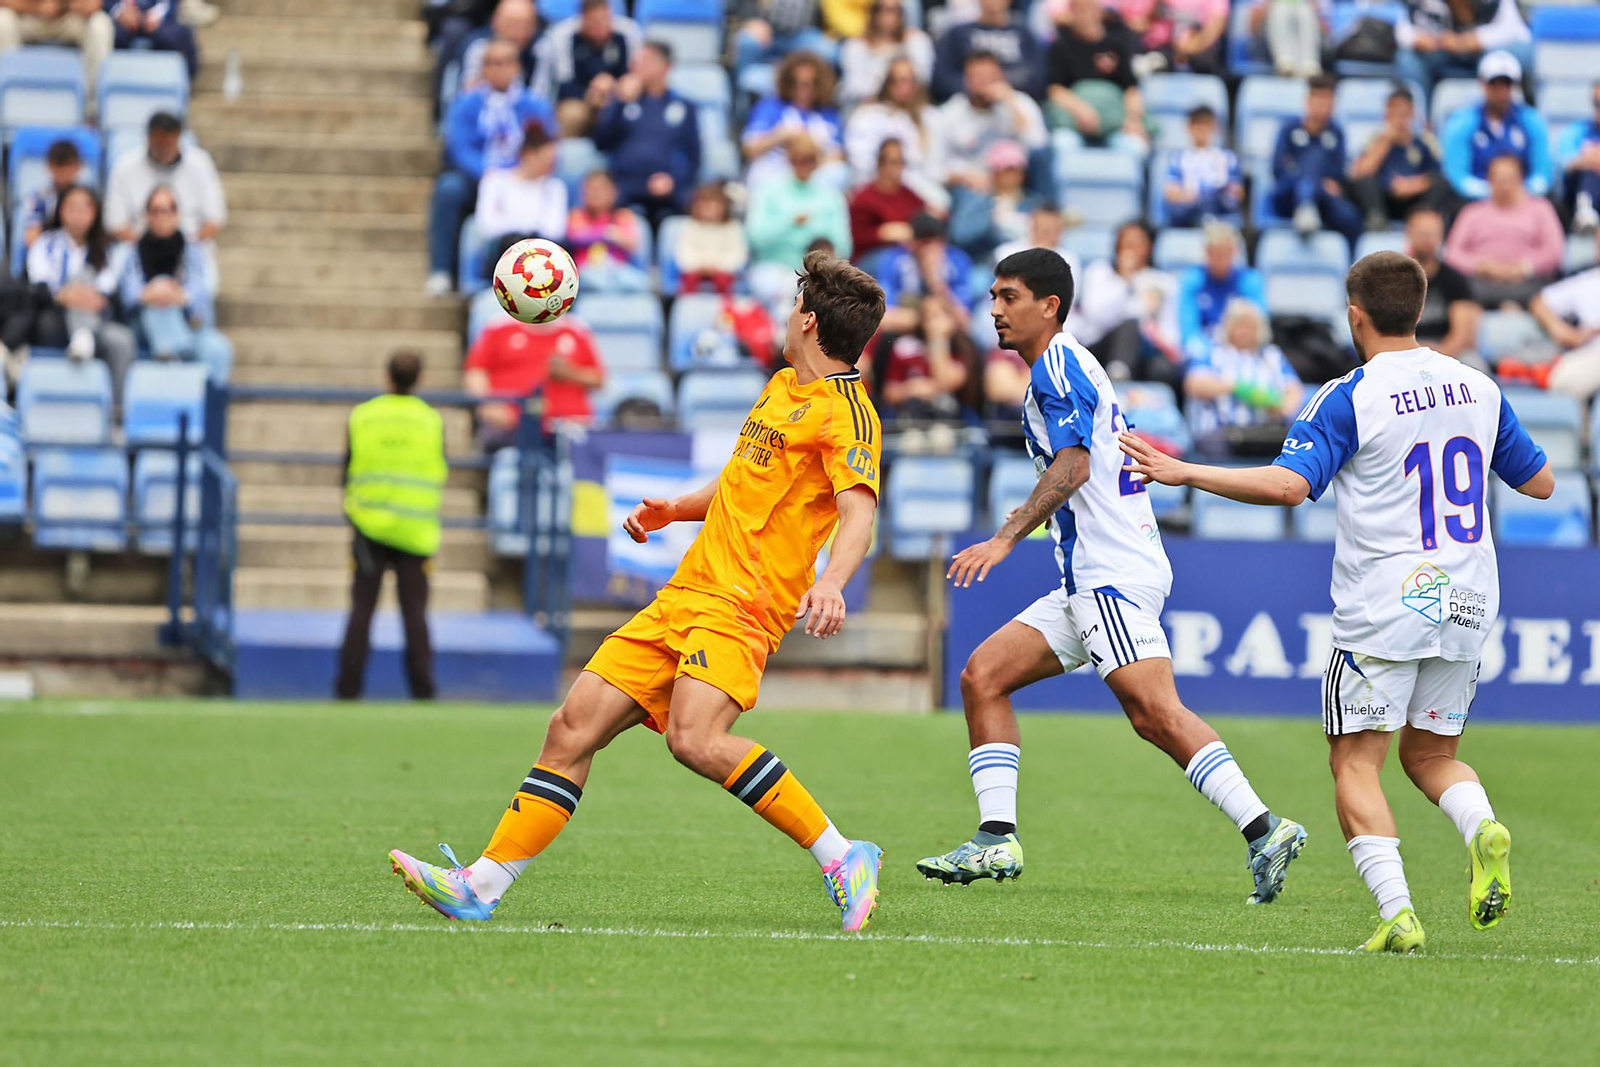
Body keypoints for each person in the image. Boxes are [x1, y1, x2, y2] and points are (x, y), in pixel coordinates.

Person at [388, 252, 891, 933]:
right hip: (687, 593)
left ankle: (843, 855)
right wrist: (676, 509)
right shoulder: (780, 387)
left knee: (694, 737)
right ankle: (481, 884)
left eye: (791, 302)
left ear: (807, 319)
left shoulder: (848, 414)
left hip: (744, 604)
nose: (783, 313)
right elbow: (743, 479)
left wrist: (832, 581)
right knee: (571, 726)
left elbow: (859, 511)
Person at [1119, 250, 1554, 952]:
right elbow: (1540, 484)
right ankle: (1481, 828)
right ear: (1419, 309)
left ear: (1356, 315)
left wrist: (1183, 470)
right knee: (1433, 753)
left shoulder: (1350, 394)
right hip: (1469, 597)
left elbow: (1291, 486)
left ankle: (1398, 912)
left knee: (1356, 762)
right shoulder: (1478, 386)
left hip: (1387, 601)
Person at [917, 248, 1307, 900]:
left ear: (1049, 305)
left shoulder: (1059, 366)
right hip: (1086, 576)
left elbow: (1073, 466)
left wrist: (1006, 537)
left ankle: (1264, 826)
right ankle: (995, 838)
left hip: (1111, 574)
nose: (994, 309)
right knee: (983, 676)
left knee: (1154, 711)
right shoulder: (1059, 365)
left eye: (1008, 296)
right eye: (991, 295)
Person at [336, 353, 447, 702]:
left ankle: (348, 688)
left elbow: (348, 466)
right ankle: (423, 690)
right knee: (415, 613)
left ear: (387, 376)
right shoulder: (431, 420)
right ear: (419, 379)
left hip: (369, 526)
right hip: (415, 529)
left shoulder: (363, 415)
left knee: (362, 609)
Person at [427, 39, 554, 295]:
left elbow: (547, 143)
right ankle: (441, 270)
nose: (498, 69)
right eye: (492, 64)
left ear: (517, 67)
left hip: (523, 178)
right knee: (448, 189)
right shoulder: (467, 104)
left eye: (504, 62)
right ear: (483, 69)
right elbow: (459, 147)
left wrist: (519, 173)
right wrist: (489, 171)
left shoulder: (534, 105)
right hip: (479, 177)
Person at [22, 186, 136, 403]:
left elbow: (108, 293)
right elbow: (41, 288)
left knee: (123, 340)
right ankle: (81, 338)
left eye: (86, 208)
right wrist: (67, 295)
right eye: (72, 207)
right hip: (57, 320)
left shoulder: (105, 249)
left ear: (95, 213)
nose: (78, 215)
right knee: (79, 280)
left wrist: (93, 298)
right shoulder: (45, 244)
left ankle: (118, 410)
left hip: (95, 321)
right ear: (60, 211)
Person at [116, 186, 233, 382]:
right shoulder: (132, 251)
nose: (162, 216)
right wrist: (153, 293)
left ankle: (211, 406)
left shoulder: (194, 250)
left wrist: (179, 296)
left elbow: (199, 294)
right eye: (156, 210)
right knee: (160, 294)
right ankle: (175, 362)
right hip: (143, 326)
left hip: (186, 323)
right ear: (147, 215)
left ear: (176, 213)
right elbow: (129, 294)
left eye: (167, 210)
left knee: (218, 348)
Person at [591, 41, 701, 228]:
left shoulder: (683, 107)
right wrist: (619, 102)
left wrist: (672, 179)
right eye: (636, 61)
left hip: (668, 192)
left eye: (646, 61)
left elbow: (694, 156)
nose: (637, 67)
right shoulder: (622, 103)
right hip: (626, 188)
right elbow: (601, 142)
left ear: (666, 67)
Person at [1183, 298, 1303, 457]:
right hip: (1222, 432)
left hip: (1265, 433)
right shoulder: (1212, 352)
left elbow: (1294, 391)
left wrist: (1278, 405)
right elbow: (1194, 384)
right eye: (1240, 325)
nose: (1245, 331)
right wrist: (1235, 387)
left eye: (1251, 327)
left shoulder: (1272, 355)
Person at [464, 314, 606, 448]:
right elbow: (476, 372)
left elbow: (598, 379)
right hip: (511, 426)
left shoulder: (576, 329)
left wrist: (570, 373)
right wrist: (489, 405)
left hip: (569, 427)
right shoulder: (500, 327)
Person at [1069, 219, 1181, 385]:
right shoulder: (1099, 271)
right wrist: (1126, 281)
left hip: (1146, 349)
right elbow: (1095, 316)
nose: (1130, 249)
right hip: (1100, 346)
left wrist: (1155, 331)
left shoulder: (1163, 282)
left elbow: (1171, 330)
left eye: (1137, 243)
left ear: (1149, 247)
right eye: (1126, 242)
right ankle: (1118, 380)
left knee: (1163, 369)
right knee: (1130, 325)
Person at [1444, 153, 1563, 308]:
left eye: (1509, 178)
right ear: (1489, 180)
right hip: (1480, 281)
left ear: (1521, 178)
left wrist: (1524, 267)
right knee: (1458, 292)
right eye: (1498, 178)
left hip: (1529, 281)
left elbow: (1554, 251)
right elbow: (1452, 253)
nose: (1504, 184)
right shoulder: (1471, 212)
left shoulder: (1541, 209)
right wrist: (1481, 266)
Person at [1440, 51, 1551, 202]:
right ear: (1483, 84)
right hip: (1475, 200)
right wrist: (1493, 193)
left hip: (1524, 199)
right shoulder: (1462, 122)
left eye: (1506, 85)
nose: (1501, 92)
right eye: (1494, 84)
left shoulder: (1531, 120)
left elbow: (1542, 172)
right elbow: (1457, 175)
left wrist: (1520, 192)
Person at [104, 112, 226, 244]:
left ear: (178, 136)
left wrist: (187, 249)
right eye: (159, 141)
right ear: (149, 137)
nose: (164, 148)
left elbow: (215, 217)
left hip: (190, 246)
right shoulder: (124, 166)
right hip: (138, 247)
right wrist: (146, 250)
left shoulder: (200, 164)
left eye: (169, 143)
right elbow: (114, 221)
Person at [1045, 0, 1150, 154]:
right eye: (1078, 10)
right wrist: (1080, 110)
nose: (1084, 15)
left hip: (1114, 122)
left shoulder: (1117, 45)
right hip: (1074, 122)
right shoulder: (1061, 46)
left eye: (1088, 9)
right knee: (1062, 144)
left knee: (1136, 147)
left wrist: (1133, 120)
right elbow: (1054, 89)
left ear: (1099, 12)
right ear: (1071, 14)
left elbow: (1131, 89)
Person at [939, 50, 1048, 196]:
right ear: (966, 80)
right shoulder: (950, 113)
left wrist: (1011, 103)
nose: (984, 82)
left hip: (1017, 183)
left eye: (990, 76)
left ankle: (1049, 212)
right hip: (971, 184)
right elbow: (937, 166)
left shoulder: (1020, 103)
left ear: (1001, 77)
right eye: (977, 77)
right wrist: (964, 176)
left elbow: (1038, 146)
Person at [842, 56, 946, 206]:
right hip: (878, 185)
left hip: (917, 184)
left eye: (909, 81)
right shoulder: (868, 116)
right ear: (886, 83)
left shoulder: (929, 117)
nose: (903, 87)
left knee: (940, 200)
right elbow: (861, 164)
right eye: (896, 80)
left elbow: (934, 166)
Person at [1270, 74, 1361, 245]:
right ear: (1308, 101)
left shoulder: (1336, 132)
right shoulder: (1289, 129)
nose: (1323, 108)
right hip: (1289, 194)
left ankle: (1352, 265)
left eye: (1328, 102)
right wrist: (1305, 178)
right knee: (1312, 158)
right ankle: (1305, 205)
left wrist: (1321, 184)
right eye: (1319, 101)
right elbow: (1278, 169)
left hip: (1323, 197)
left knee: (1350, 217)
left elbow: (1338, 173)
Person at [1512, 232, 1600, 407]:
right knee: (1563, 381)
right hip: (1591, 355)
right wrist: (1561, 330)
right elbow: (1539, 302)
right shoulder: (1587, 282)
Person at [533, 0, 643, 137]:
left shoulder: (629, 31)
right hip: (582, 100)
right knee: (570, 114)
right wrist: (592, 93)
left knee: (640, 110)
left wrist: (614, 88)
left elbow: (638, 74)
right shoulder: (564, 35)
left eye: (604, 20)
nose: (599, 27)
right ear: (582, 19)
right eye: (593, 22)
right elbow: (564, 83)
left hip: (621, 97)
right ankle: (564, 156)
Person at [1348, 87, 1452, 230]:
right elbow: (1360, 173)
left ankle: (1423, 222)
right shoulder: (1374, 140)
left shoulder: (1425, 141)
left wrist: (1412, 185)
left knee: (1442, 185)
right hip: (1385, 199)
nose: (1399, 117)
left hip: (1415, 201)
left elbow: (1437, 175)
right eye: (1394, 111)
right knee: (1364, 183)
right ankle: (1377, 221)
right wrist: (1386, 142)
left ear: (1411, 113)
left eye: (1403, 112)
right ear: (1386, 113)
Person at [742, 51, 845, 190]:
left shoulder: (828, 113)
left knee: (839, 173)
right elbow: (750, 149)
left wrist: (809, 150)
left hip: (814, 174)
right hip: (776, 168)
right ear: (787, 82)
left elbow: (837, 156)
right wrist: (782, 135)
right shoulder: (770, 107)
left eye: (810, 84)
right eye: (796, 83)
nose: (803, 90)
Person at [747, 134, 852, 271]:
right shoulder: (767, 191)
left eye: (810, 160)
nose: (804, 165)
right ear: (789, 159)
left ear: (817, 161)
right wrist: (790, 222)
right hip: (775, 267)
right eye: (798, 159)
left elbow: (843, 246)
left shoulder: (831, 196)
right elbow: (755, 239)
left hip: (819, 269)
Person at [475, 123, 567, 277]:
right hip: (500, 254)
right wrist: (519, 235)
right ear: (528, 154)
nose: (552, 166)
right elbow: (487, 225)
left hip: (540, 260)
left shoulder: (554, 187)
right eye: (547, 160)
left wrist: (525, 236)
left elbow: (555, 230)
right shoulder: (495, 180)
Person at [1395, 0, 1532, 97]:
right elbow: (1402, 29)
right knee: (1408, 58)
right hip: (1441, 51)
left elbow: (1515, 30)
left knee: (1501, 59)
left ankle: (1499, 117)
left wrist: (1471, 40)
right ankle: (1419, 125)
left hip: (1484, 51)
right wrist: (1419, 39)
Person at [1178, 220, 1266, 358]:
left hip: (1241, 351)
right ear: (1206, 251)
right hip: (1204, 353)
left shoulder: (1250, 281)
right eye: (1215, 252)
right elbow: (1189, 330)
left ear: (1235, 251)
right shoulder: (1193, 280)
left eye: (1225, 252)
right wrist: (1210, 355)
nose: (1220, 258)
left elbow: (1258, 328)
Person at [931, 0, 1041, 103]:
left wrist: (1002, 87)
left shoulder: (1024, 34)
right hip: (967, 106)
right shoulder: (958, 33)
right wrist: (977, 88)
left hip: (1013, 101)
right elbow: (942, 79)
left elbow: (1037, 78)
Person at [948, 139, 1040, 261]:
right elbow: (958, 235)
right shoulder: (977, 200)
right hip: (984, 263)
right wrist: (990, 217)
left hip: (1024, 265)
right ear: (995, 172)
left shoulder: (1033, 203)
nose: (1013, 175)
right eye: (1007, 169)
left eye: (1017, 169)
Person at [1406, 207, 1479, 360]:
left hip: (1446, 351)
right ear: (1409, 234)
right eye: (1422, 233)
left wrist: (1438, 357)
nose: (1427, 239)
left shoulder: (1455, 279)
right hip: (1404, 352)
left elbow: (1463, 334)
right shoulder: (1392, 278)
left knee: (1473, 362)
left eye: (1432, 234)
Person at [0, 1, 113, 97]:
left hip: (70, 17)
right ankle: (6, 101)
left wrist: (69, 5)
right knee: (2, 20)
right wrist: (39, 7)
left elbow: (94, 4)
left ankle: (93, 109)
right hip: (27, 16)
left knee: (100, 24)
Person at [564, 169, 649, 293]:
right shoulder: (576, 215)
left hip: (617, 271)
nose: (594, 193)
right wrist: (607, 233)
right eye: (590, 189)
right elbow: (575, 237)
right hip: (586, 271)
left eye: (600, 189)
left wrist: (596, 234)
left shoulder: (623, 215)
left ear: (613, 192)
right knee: (593, 279)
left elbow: (631, 245)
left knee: (637, 281)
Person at [838, 0, 933, 107]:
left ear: (902, 13)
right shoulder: (855, 46)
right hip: (868, 107)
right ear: (873, 13)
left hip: (908, 106)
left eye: (892, 10)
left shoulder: (916, 41)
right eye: (880, 9)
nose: (886, 15)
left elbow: (923, 78)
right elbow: (854, 87)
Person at [1162, 104, 1242, 227]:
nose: (1202, 130)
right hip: (1189, 208)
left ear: (1215, 127)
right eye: (1198, 125)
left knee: (1218, 201)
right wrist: (1189, 196)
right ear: (1189, 127)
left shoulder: (1227, 157)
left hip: (1218, 206)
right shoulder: (1178, 158)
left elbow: (1237, 192)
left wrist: (1225, 190)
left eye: (1206, 125)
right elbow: (1170, 192)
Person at [848, 138, 925, 264]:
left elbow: (926, 213)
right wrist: (881, 233)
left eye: (901, 162)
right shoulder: (863, 198)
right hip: (871, 256)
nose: (898, 168)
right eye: (893, 162)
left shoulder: (908, 195)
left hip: (906, 252)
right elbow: (854, 236)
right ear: (880, 164)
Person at [1112, 0, 1228, 75]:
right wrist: (1153, 14)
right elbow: (1136, 24)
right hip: (1163, 46)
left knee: (1205, 61)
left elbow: (1215, 28)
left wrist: (1190, 47)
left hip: (1198, 48)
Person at [676, 182, 749, 296]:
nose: (709, 209)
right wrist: (700, 265)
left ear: (724, 206)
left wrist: (718, 267)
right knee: (688, 280)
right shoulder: (689, 226)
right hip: (695, 269)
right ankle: (686, 309)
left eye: (714, 205)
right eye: (705, 205)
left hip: (723, 271)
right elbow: (684, 251)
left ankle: (726, 312)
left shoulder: (733, 227)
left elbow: (737, 254)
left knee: (725, 280)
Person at [731, 0, 836, 77]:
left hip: (804, 33)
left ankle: (822, 104)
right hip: (768, 30)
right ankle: (741, 104)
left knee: (830, 53)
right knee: (746, 43)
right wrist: (751, 20)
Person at [457, 0, 541, 91]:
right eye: (511, 24)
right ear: (495, 22)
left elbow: (542, 97)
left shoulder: (539, 51)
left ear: (534, 27)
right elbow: (467, 93)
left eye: (524, 25)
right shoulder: (481, 49)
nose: (516, 32)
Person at [21, 138, 86, 250]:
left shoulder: (87, 198)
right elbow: (31, 237)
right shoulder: (40, 197)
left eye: (68, 166)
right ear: (49, 166)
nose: (64, 173)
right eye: (59, 167)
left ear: (78, 166)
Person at [1555, 80, 1600, 232]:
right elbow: (1566, 163)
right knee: (1588, 169)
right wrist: (1589, 160)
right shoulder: (1577, 130)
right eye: (1598, 103)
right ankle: (1586, 210)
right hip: (1578, 191)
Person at [109, 0, 198, 76]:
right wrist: (119, 12)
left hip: (160, 19)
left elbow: (169, 4)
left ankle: (174, 84)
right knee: (111, 36)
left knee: (171, 37)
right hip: (120, 20)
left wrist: (156, 15)